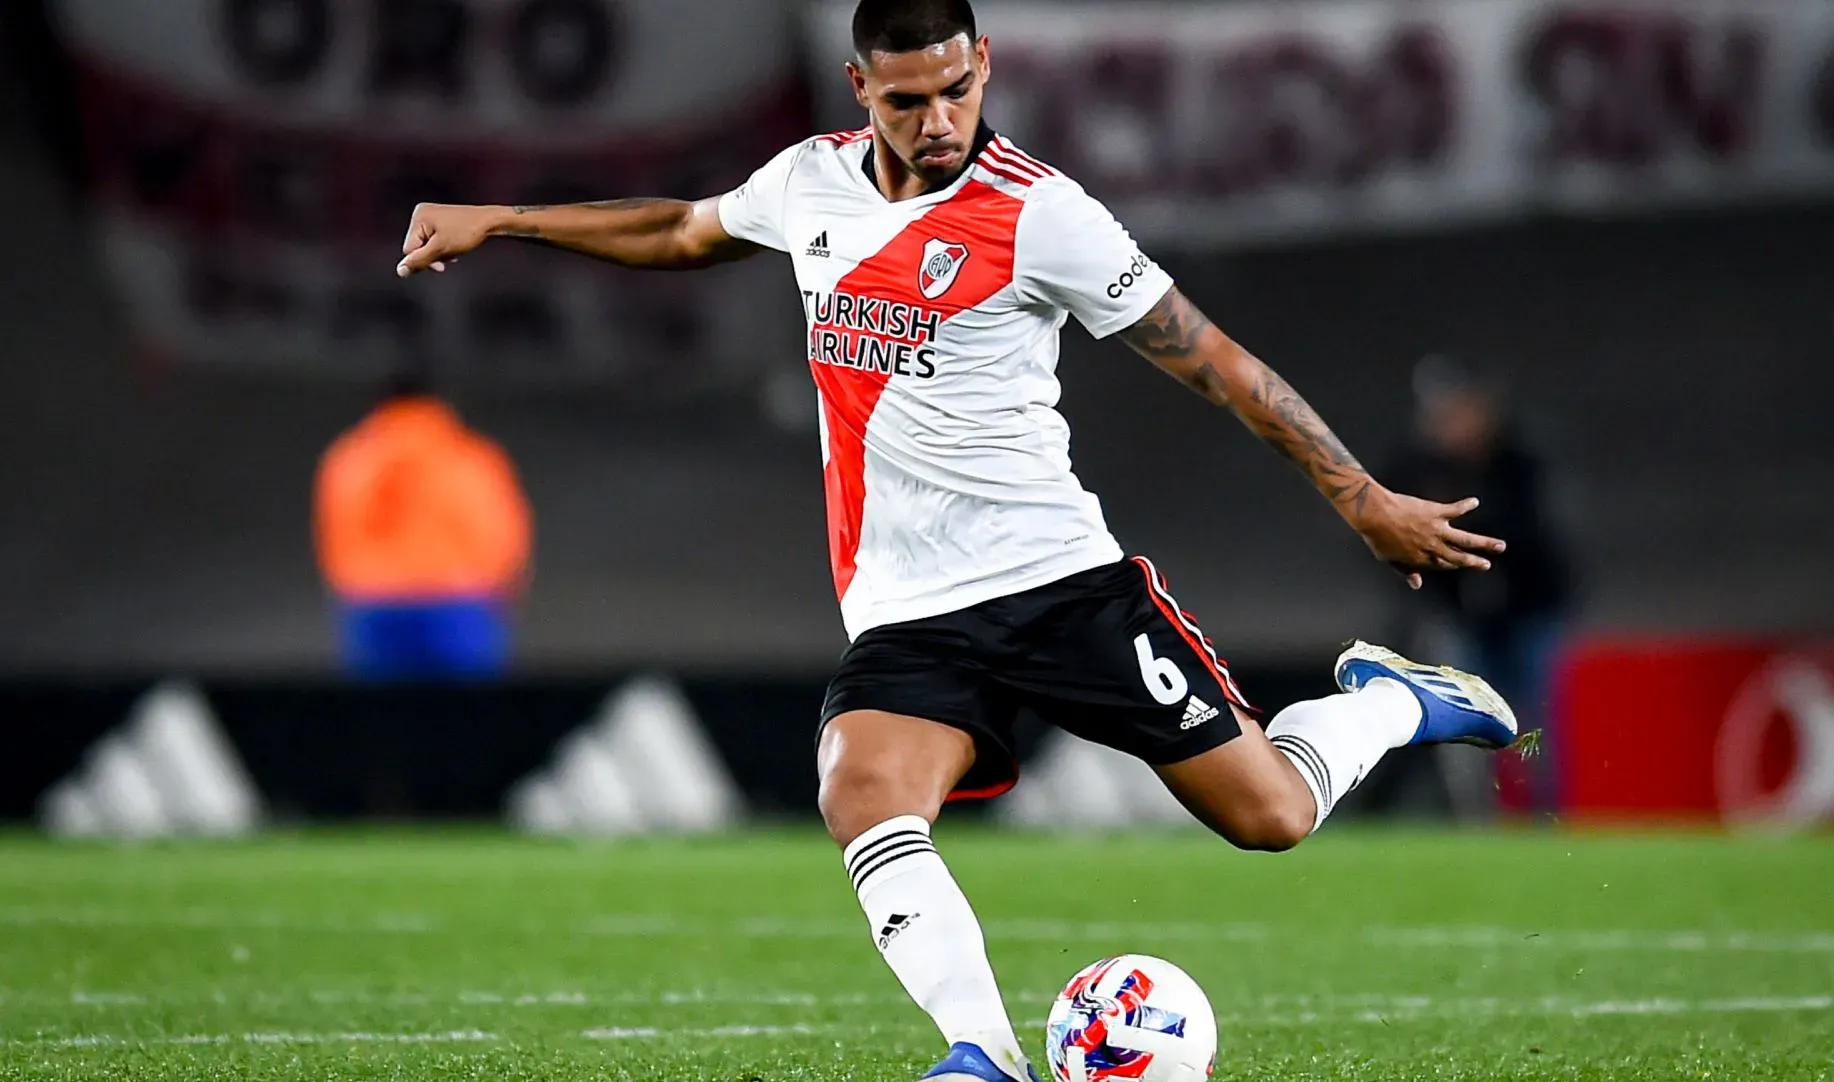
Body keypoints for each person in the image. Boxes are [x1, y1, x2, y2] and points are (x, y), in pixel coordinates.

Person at [394, 3, 1517, 1077]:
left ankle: (1391, 699)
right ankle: (985, 1050)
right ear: (860, 89)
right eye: (907, 100)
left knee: (1268, 815)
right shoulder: (808, 182)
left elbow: (1216, 361)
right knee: (861, 786)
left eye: (956, 89)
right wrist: (506, 221)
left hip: (1063, 585)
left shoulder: (1043, 214)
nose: (938, 120)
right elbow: (684, 229)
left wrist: (1359, 491)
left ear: (984, 61)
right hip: (907, 610)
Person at [1379, 354, 1576, 816]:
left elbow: (1535, 537)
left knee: (1538, 714)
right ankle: (1479, 819)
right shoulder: (1416, 469)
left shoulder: (1519, 464)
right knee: (1465, 720)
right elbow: (1386, 536)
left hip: (1530, 609)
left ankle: (1549, 815)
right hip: (1463, 615)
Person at [314, 369, 532, 682]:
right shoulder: (469, 456)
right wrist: (508, 589)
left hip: (374, 603)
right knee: (467, 721)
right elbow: (498, 531)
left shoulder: (349, 458)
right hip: (457, 603)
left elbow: (335, 534)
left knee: (382, 721)